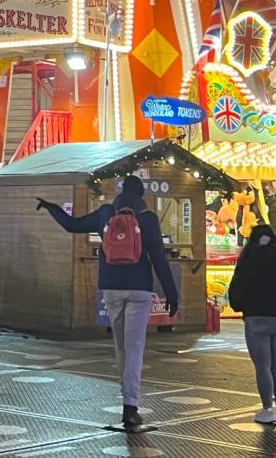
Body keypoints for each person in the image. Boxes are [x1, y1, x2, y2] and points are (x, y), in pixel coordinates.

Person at [36, 175, 178, 431]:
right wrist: (171, 293)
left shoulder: (105, 213)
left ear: (120, 193)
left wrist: (52, 207)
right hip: (139, 288)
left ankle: (127, 399)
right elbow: (159, 258)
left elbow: (72, 225)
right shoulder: (147, 218)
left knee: (121, 346)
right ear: (141, 195)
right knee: (134, 347)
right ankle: (130, 406)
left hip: (110, 287)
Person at [228, 224, 276, 423]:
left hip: (256, 317)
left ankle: (267, 409)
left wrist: (241, 307)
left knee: (263, 366)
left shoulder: (247, 260)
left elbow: (236, 289)